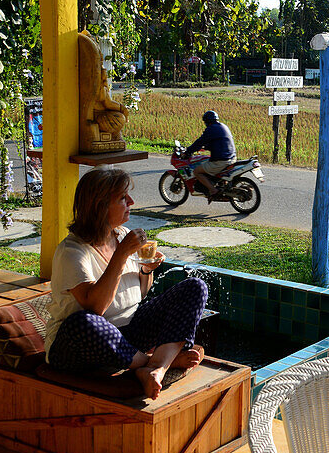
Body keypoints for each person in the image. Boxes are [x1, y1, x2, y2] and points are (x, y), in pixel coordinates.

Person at [45, 168, 208, 399]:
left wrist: (145, 269)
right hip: (80, 347)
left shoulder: (121, 235)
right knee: (82, 322)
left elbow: (140, 295)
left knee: (195, 287)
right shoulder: (72, 252)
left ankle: (156, 368)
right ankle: (157, 361)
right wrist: (121, 255)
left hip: (129, 336)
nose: (131, 201)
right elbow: (96, 308)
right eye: (122, 198)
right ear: (100, 206)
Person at [184, 110, 237, 202]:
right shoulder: (223, 126)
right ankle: (221, 185)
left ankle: (213, 190)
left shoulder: (211, 129)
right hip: (232, 158)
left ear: (206, 121)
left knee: (197, 172)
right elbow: (219, 142)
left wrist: (188, 151)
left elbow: (199, 142)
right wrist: (208, 147)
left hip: (221, 160)